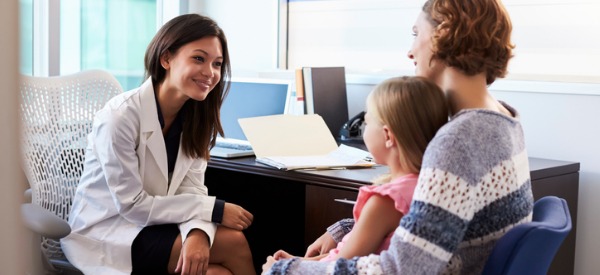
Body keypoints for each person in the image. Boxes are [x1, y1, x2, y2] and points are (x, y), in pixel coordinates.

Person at [263, 0, 534, 273]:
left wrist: (287, 270)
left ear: (445, 33)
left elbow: (401, 268)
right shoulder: (504, 121)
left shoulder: (458, 142)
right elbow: (423, 217)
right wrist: (348, 229)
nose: (410, 51)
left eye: (416, 34)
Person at [61, 14, 256, 275]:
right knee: (233, 242)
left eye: (217, 63)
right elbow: (132, 205)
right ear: (166, 59)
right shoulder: (120, 117)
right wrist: (215, 210)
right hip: (109, 231)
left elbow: (193, 189)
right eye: (199, 58)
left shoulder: (197, 117)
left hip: (157, 224)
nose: (210, 72)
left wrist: (197, 231)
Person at [270, 76, 448, 264]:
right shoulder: (430, 185)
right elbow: (346, 254)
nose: (365, 129)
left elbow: (342, 266)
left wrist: (285, 268)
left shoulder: (385, 201)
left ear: (388, 135)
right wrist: (302, 262)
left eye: (367, 122)